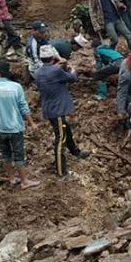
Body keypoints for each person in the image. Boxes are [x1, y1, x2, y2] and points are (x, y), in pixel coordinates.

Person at [0, 60, 40, 189]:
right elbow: (23, 107)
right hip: (15, 127)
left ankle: (12, 178)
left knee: (5, 153)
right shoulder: (15, 87)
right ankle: (24, 181)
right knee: (19, 154)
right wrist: (32, 123)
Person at [35, 44, 88, 177]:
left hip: (50, 109)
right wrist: (72, 68)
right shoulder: (56, 71)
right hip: (57, 110)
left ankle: (75, 152)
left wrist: (58, 62)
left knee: (66, 130)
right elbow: (73, 78)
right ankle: (61, 171)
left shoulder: (39, 72)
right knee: (61, 139)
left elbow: (54, 70)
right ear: (53, 58)